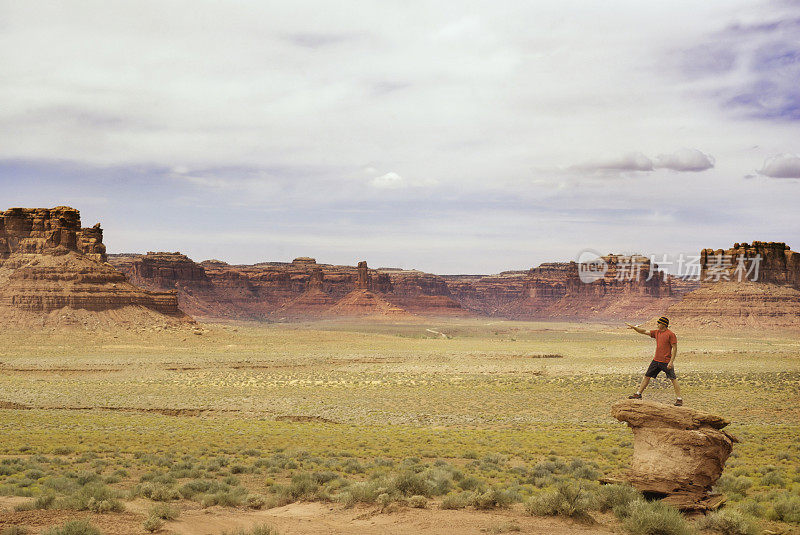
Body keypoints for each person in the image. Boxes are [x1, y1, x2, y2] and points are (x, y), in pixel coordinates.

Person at [624, 316, 682, 406]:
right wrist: (634, 328)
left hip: (666, 361)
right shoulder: (656, 333)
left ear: (663, 324)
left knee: (673, 379)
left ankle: (679, 399)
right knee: (647, 376)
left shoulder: (671, 334)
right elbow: (643, 331)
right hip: (656, 360)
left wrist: (671, 361)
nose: (657, 324)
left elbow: (675, 348)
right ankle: (638, 394)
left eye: (658, 323)